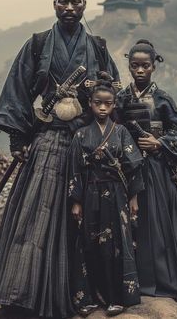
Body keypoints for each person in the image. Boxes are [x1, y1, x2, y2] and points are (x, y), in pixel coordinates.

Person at [0, 0, 119, 318]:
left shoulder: (98, 47)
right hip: (46, 142)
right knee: (35, 215)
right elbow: (18, 88)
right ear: (55, 4)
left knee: (82, 220)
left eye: (76, 2)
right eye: (64, 1)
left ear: (85, 4)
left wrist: (100, 87)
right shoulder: (38, 43)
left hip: (86, 144)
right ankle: (22, 293)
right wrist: (18, 138)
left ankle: (80, 295)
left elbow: (112, 93)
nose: (70, 7)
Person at [116, 39, 177, 302]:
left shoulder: (163, 98)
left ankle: (166, 287)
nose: (140, 70)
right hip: (127, 170)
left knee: (159, 225)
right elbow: (114, 127)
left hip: (156, 170)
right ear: (129, 66)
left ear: (154, 66)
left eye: (145, 65)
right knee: (132, 226)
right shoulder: (121, 98)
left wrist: (160, 143)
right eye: (135, 66)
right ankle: (134, 285)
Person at [68, 80, 144, 317]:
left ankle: (116, 299)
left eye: (108, 104)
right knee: (88, 244)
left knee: (116, 246)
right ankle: (88, 299)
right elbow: (75, 170)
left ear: (113, 106)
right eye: (98, 103)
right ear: (89, 104)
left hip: (117, 195)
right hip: (90, 192)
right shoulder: (81, 135)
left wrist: (134, 198)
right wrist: (77, 201)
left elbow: (133, 166)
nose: (103, 108)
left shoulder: (120, 132)